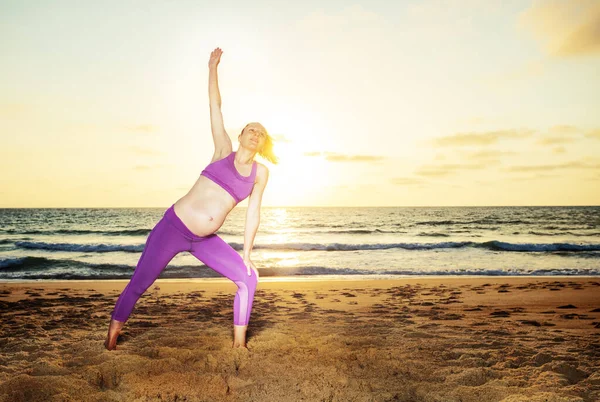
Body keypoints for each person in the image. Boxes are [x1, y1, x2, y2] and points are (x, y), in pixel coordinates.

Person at [104, 47, 277, 350]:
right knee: (139, 284)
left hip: (205, 240)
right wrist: (213, 68)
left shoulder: (260, 173)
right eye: (251, 129)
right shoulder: (223, 150)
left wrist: (247, 254)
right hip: (172, 228)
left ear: (262, 144)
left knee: (249, 277)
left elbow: (253, 214)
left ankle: (239, 346)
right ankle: (113, 334)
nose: (254, 133)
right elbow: (215, 106)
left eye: (260, 133)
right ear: (240, 136)